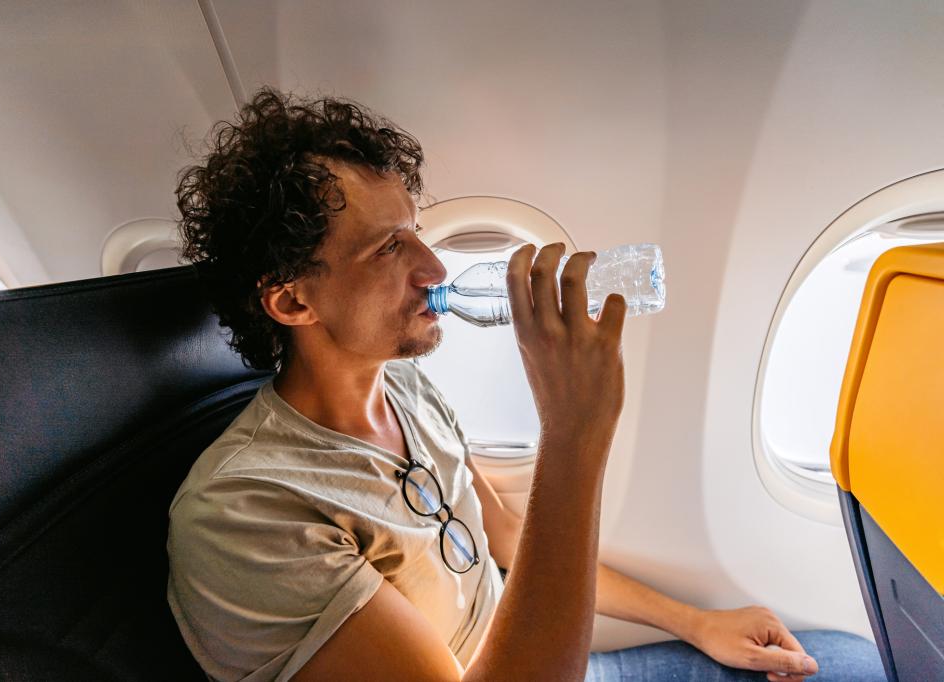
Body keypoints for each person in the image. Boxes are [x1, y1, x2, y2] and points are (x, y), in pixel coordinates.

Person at [166, 87, 885, 682]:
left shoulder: (406, 389)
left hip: (547, 658)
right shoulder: (246, 511)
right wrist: (575, 435)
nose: (435, 269)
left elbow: (507, 536)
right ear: (293, 303)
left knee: (852, 662)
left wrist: (695, 621)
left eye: (415, 232)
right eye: (389, 249)